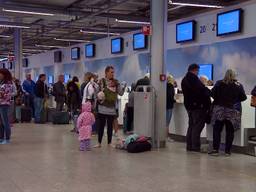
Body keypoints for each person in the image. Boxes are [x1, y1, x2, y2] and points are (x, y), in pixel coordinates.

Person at [209, 69, 247, 156]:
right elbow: (244, 97)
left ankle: (215, 150)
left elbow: (212, 94)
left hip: (219, 110)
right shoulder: (238, 85)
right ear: (234, 75)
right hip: (233, 111)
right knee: (230, 131)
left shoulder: (219, 83)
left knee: (217, 130)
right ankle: (227, 151)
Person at [181, 64, 211, 152]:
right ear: (195, 70)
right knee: (198, 126)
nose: (198, 72)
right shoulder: (193, 79)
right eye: (198, 70)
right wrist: (210, 93)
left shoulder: (184, 79)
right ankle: (195, 146)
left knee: (191, 126)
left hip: (189, 106)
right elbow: (201, 90)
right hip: (198, 106)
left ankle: (189, 145)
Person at [94, 66, 126, 148]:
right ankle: (99, 143)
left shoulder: (116, 82)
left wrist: (124, 86)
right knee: (101, 126)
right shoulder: (101, 82)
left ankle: (109, 142)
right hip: (102, 108)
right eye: (111, 72)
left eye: (113, 72)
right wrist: (99, 96)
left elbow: (121, 93)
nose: (113, 74)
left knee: (110, 127)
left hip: (111, 109)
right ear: (106, 73)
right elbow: (96, 93)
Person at [0, 69, 14, 144]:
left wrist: (1, 94)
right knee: (1, 122)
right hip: (0, 104)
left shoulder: (8, 84)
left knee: (5, 122)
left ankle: (7, 139)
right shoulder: (1, 83)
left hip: (4, 104)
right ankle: (1, 138)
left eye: (0, 74)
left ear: (4, 74)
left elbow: (6, 95)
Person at [166, 75, 176, 141]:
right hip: (169, 106)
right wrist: (174, 100)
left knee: (165, 122)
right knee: (167, 123)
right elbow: (170, 96)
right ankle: (166, 137)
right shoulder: (170, 86)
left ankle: (165, 136)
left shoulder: (165, 86)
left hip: (165, 105)